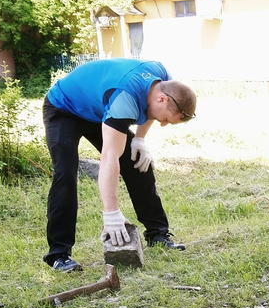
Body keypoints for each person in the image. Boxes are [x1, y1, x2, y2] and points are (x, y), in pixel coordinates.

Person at [42, 58, 196, 272]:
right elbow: (109, 157)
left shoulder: (161, 78)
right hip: (64, 109)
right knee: (65, 175)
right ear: (162, 99)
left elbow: (149, 106)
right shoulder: (125, 98)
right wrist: (111, 213)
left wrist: (140, 140)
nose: (163, 124)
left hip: (102, 107)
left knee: (137, 164)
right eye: (167, 120)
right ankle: (59, 255)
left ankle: (158, 234)